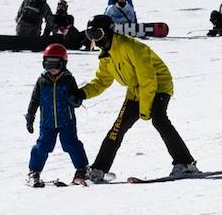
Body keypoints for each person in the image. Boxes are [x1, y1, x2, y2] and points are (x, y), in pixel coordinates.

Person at [80, 16, 201, 181]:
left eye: (97, 33)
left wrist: (144, 111)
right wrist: (82, 93)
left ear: (108, 32)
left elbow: (148, 79)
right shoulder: (106, 55)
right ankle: (98, 169)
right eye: (90, 34)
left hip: (159, 85)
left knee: (159, 119)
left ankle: (186, 163)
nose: (94, 39)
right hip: (136, 89)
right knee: (117, 128)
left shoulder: (131, 47)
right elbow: (102, 81)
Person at [25, 44, 89, 187]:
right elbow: (34, 100)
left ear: (63, 63)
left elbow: (76, 98)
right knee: (42, 146)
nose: (52, 68)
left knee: (72, 145)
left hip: (67, 121)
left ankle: (82, 169)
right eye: (48, 64)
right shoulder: (42, 80)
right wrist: (30, 117)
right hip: (47, 122)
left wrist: (75, 100)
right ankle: (33, 172)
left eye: (56, 64)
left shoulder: (68, 79)